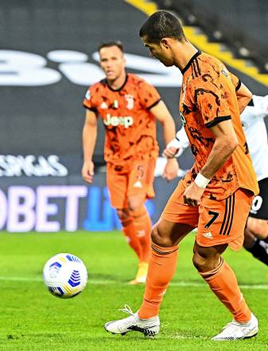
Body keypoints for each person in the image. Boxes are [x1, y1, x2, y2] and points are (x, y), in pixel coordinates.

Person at [104, 11, 260, 340]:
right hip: (205, 168)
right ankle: (147, 317)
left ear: (166, 42)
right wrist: (207, 133)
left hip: (226, 179)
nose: (151, 54)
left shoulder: (201, 79)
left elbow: (228, 139)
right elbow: (243, 95)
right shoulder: (208, 65)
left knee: (204, 258)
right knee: (162, 236)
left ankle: (245, 322)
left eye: (151, 48)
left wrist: (201, 182)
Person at [164, 93, 268, 286]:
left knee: (255, 226)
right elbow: (193, 127)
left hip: (261, 174)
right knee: (239, 234)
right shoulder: (210, 110)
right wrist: (177, 144)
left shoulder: (249, 105)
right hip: (234, 178)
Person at [82, 41, 179, 285]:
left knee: (135, 203)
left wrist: (171, 159)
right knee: (123, 212)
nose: (109, 64)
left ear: (123, 61)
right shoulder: (95, 92)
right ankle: (143, 263)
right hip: (114, 159)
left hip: (142, 154)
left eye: (113, 59)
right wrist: (87, 160)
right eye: (104, 60)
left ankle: (149, 263)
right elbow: (90, 127)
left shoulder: (141, 88)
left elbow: (166, 120)